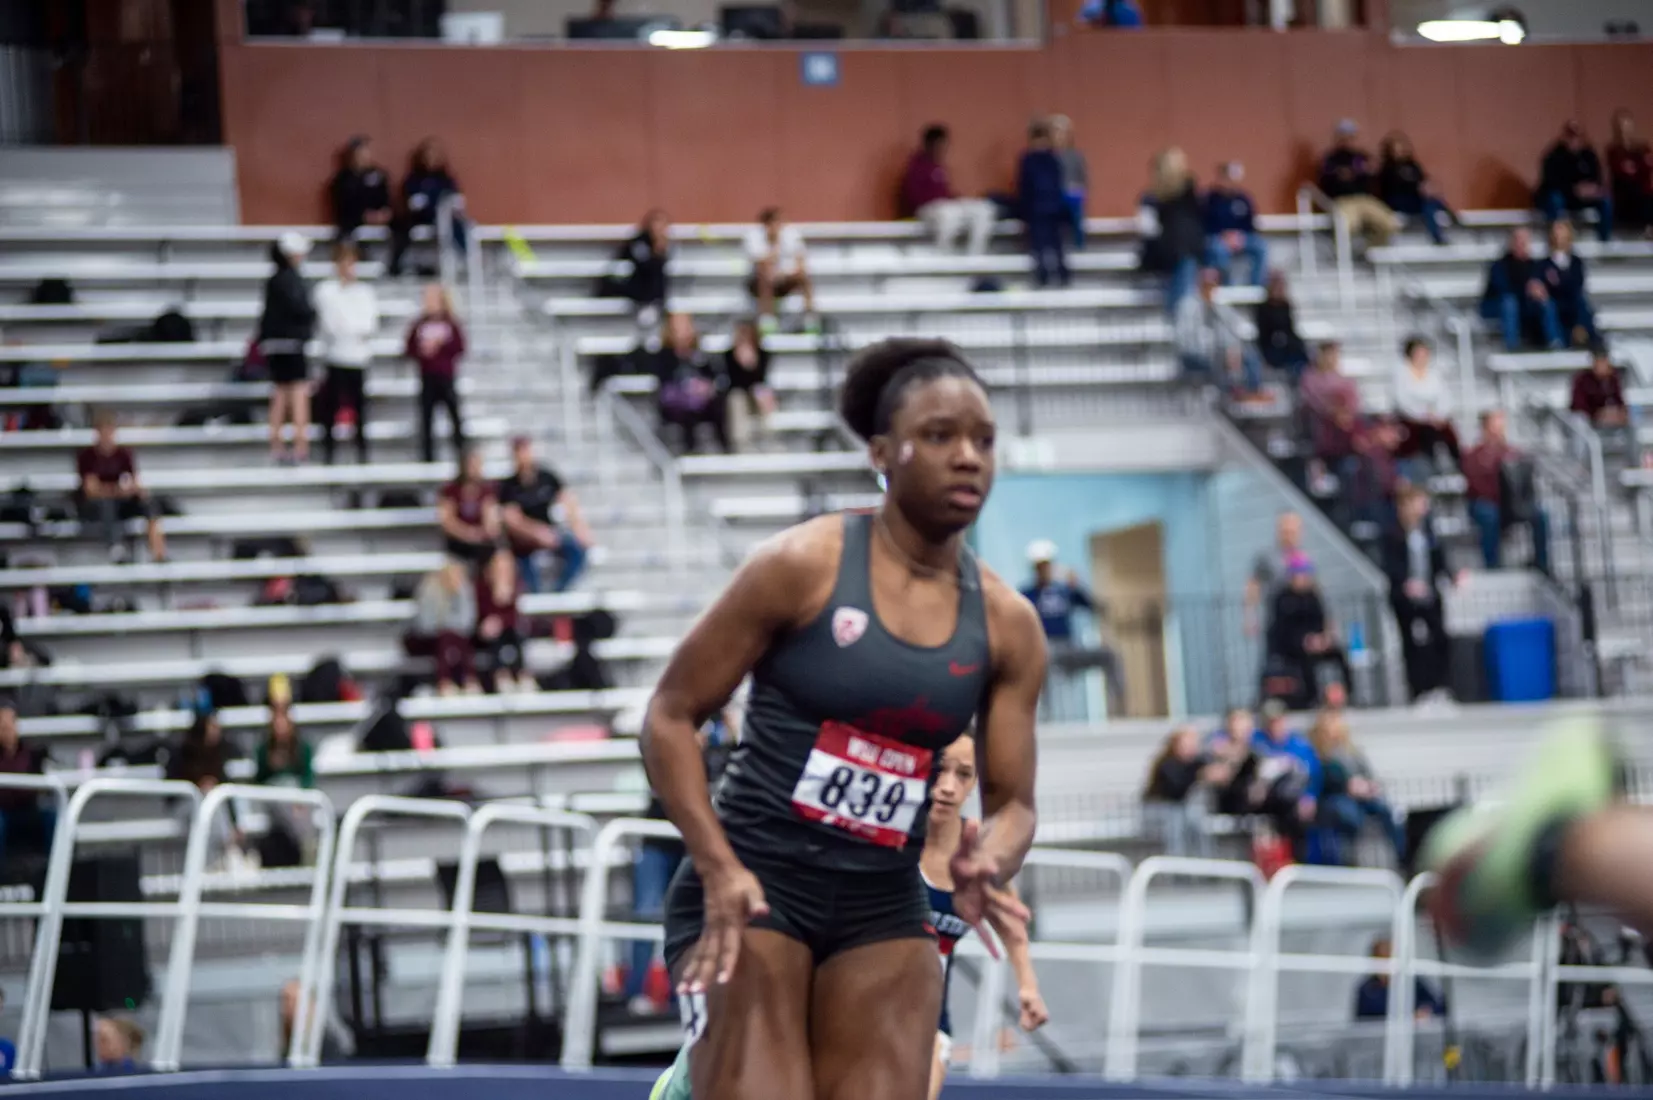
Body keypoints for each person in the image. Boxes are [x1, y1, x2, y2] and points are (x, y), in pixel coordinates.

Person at [643, 337, 1044, 1100]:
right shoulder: (802, 565)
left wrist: (988, 860)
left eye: (983, 440)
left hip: (881, 900)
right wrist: (717, 865)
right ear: (882, 452)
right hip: (755, 880)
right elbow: (668, 715)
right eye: (939, 436)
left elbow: (1016, 805)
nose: (967, 457)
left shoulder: (1007, 623)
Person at [920, 734, 1047, 1100]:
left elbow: (1011, 922)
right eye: (939, 769)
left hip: (930, 1017)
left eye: (963, 775)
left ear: (975, 782)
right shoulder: (895, 839)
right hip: (868, 1008)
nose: (947, 787)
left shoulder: (977, 854)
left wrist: (1028, 986)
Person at [1380, 486, 1459, 704]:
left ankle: (1441, 686)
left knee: (1439, 637)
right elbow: (1390, 565)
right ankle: (1417, 690)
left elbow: (1439, 560)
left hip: (1429, 594)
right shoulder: (1392, 534)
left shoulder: (1429, 532)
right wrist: (1406, 584)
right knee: (1411, 643)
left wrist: (1452, 575)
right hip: (1405, 598)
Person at [499, 436, 593, 594]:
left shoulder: (547, 477)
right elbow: (512, 520)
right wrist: (536, 533)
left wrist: (580, 528)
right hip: (525, 539)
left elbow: (568, 502)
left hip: (551, 533)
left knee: (576, 549)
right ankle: (535, 591)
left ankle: (561, 589)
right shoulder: (509, 486)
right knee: (519, 559)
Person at [313, 241, 380, 465]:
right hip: (335, 356)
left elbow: (369, 324)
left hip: (358, 358)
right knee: (330, 407)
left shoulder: (365, 292)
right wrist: (351, 328)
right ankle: (328, 453)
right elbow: (330, 324)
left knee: (360, 408)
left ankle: (362, 453)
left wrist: (349, 328)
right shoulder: (325, 291)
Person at [1462, 409, 1551, 574]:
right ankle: (1492, 565)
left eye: (1501, 427)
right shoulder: (1474, 455)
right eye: (1495, 426)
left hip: (1511, 505)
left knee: (1540, 514)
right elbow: (1476, 486)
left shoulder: (1512, 452)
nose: (1499, 431)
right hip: (1486, 503)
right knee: (1489, 514)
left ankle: (1541, 562)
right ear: (1485, 428)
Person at [1310, 710, 1405, 864]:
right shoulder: (1322, 755)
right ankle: (1351, 860)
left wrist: (1369, 786)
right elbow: (1326, 780)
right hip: (1336, 796)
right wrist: (1348, 787)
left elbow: (1368, 774)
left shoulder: (1353, 752)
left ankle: (1400, 856)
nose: (1335, 728)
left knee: (1387, 810)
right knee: (1351, 816)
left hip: (1362, 794)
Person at [1263, 554, 1352, 710]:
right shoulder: (1283, 599)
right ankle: (1312, 698)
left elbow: (1323, 620)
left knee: (1339, 654)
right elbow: (1284, 630)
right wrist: (1305, 641)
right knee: (1306, 659)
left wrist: (1324, 638)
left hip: (1316, 641)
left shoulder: (1313, 596)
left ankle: (1348, 693)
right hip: (1292, 646)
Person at [76, 411, 167, 563]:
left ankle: (158, 551)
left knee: (148, 503)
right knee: (106, 505)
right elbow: (91, 490)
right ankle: (116, 550)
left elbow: (135, 484)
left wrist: (127, 491)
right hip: (98, 506)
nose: (107, 435)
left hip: (120, 501)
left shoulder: (124, 454)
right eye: (103, 431)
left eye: (109, 431)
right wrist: (117, 491)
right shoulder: (87, 456)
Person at [259, 231, 317, 465]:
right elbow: (302, 309)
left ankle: (277, 446)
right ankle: (301, 446)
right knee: (298, 393)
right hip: (292, 344)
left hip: (274, 345)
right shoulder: (292, 280)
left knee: (280, 393)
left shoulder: (273, 280)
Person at [900, 125, 997, 255]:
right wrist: (940, 201)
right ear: (929, 145)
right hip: (927, 209)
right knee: (949, 214)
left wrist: (954, 198)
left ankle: (975, 255)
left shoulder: (939, 166)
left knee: (984, 209)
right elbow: (915, 198)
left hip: (946, 205)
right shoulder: (916, 167)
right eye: (939, 145)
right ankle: (943, 256)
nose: (942, 149)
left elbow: (944, 192)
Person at [1174, 267, 1264, 399]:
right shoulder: (1188, 305)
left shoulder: (1219, 305)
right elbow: (1185, 337)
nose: (1209, 289)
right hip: (1195, 353)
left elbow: (1235, 324)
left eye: (1212, 285)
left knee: (1249, 354)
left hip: (1221, 349)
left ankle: (1251, 391)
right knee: (1222, 358)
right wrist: (1211, 346)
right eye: (1206, 285)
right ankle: (1230, 393)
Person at [1142, 725, 1226, 858]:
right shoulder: (1167, 764)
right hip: (1165, 816)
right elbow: (1176, 790)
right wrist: (1200, 775)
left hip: (1186, 816)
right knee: (1178, 821)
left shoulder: (1198, 762)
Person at [1139, 147, 1205, 313]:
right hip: (1180, 252)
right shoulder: (1188, 193)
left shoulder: (1155, 198)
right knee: (1182, 300)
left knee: (1180, 301)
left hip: (1176, 252)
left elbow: (1148, 232)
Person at [406, 283, 466, 463]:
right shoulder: (419, 324)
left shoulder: (450, 322)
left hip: (446, 377)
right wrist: (422, 351)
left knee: (455, 417)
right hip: (427, 377)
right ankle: (428, 458)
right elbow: (409, 348)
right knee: (426, 419)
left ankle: (461, 454)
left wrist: (440, 346)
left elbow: (460, 347)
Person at [653, 312, 729, 454]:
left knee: (720, 404)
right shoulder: (664, 356)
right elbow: (664, 382)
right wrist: (687, 388)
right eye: (679, 327)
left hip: (701, 401)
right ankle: (690, 451)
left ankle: (726, 448)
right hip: (676, 402)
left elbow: (713, 377)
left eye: (686, 326)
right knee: (686, 409)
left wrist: (706, 387)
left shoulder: (700, 354)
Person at [1317, 120, 1398, 248]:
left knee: (1390, 224)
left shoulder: (1362, 156)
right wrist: (1345, 173)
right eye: (1343, 136)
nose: (1347, 140)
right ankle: (1343, 255)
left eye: (1350, 136)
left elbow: (1373, 174)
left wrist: (1368, 171)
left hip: (1365, 198)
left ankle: (1368, 250)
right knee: (1347, 226)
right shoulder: (1331, 158)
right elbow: (1327, 178)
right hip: (1343, 200)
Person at [393, 137, 466, 277]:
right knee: (400, 225)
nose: (430, 158)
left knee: (456, 225)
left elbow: (454, 198)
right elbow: (411, 200)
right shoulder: (414, 178)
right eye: (427, 155)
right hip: (418, 217)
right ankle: (398, 264)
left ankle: (463, 258)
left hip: (441, 217)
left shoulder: (445, 179)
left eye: (434, 154)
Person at [1480, 227, 1561, 351]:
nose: (1521, 244)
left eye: (1524, 241)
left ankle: (1555, 342)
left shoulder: (1534, 266)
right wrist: (1527, 289)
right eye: (1518, 240)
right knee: (1509, 302)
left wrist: (1539, 291)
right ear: (1511, 242)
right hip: (1496, 305)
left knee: (1547, 302)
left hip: (1524, 304)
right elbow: (1503, 288)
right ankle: (1512, 346)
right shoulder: (1499, 265)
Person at [410, 558, 480, 696]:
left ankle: (467, 681)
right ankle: (446, 681)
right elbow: (425, 623)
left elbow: (468, 622)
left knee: (459, 641)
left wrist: (459, 595)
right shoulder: (430, 591)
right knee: (446, 639)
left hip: (456, 638)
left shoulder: (464, 591)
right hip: (430, 638)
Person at [1392, 336, 1461, 472]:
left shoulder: (1434, 373)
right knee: (1427, 433)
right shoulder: (1401, 374)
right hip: (1412, 419)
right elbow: (1402, 402)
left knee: (1449, 432)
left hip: (1434, 417)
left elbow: (1445, 397)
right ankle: (1429, 468)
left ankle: (1457, 465)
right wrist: (1424, 416)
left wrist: (1439, 415)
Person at [0, 698, 53, 874]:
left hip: (28, 809)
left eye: (9, 723)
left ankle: (57, 871)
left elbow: (38, 786)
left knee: (53, 818)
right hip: (3, 812)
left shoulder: (32, 753)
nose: (6, 729)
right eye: (2, 724)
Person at [1536, 120, 1613, 243]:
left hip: (1583, 198)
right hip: (1563, 196)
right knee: (1554, 199)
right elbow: (1550, 182)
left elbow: (1597, 179)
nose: (1574, 140)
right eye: (1570, 136)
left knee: (1606, 201)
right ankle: (1556, 239)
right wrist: (1574, 189)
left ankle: (1604, 241)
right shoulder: (1554, 156)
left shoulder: (1589, 155)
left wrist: (1591, 189)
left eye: (1577, 136)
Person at [1017, 119, 1070, 289]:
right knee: (1053, 244)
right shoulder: (1052, 158)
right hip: (1050, 207)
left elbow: (1025, 186)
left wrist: (1025, 211)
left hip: (1038, 208)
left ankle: (1046, 275)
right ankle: (1060, 274)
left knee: (1042, 244)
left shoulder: (1029, 159)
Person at [1377, 131, 1453, 246]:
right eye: (1397, 149)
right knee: (1427, 207)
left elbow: (1423, 180)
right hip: (1399, 200)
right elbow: (1391, 188)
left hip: (1417, 198)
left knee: (1434, 202)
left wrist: (1427, 188)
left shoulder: (1413, 165)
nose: (1401, 151)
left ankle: (1454, 219)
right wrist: (1416, 188)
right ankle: (1437, 237)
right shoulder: (1388, 168)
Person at [744, 208, 815, 329]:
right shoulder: (753, 237)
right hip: (761, 281)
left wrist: (786, 273)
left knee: (803, 276)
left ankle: (810, 316)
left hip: (786, 277)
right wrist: (774, 248)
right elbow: (760, 263)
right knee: (765, 277)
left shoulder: (792, 235)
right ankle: (767, 318)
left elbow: (801, 261)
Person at [1203, 161, 1267, 287]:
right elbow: (1206, 224)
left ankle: (1257, 286)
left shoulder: (1243, 199)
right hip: (1218, 238)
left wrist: (1240, 237)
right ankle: (1227, 286)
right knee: (1218, 249)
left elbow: (1250, 224)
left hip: (1241, 238)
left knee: (1261, 247)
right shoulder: (1210, 199)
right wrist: (1224, 236)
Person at [475, 548, 528, 693]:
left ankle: (521, 674)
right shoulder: (483, 585)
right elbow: (480, 610)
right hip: (484, 629)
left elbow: (513, 615)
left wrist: (500, 620)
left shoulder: (515, 586)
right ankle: (500, 675)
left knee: (514, 635)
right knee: (495, 636)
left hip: (507, 628)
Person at [1354, 936, 1444, 1019]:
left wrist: (1425, 1012)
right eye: (1382, 957)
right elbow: (1362, 1022)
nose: (1387, 962)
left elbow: (1438, 1006)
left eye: (1390, 956)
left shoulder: (1413, 982)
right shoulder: (1367, 990)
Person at [721, 318, 776, 452]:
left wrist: (752, 365)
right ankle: (741, 443)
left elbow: (760, 379)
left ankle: (769, 438)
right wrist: (740, 362)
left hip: (756, 393)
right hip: (739, 392)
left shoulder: (762, 354)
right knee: (737, 398)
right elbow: (734, 381)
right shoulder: (729, 355)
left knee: (763, 394)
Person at [439, 447, 500, 567]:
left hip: (483, 545)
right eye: (471, 464)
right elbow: (447, 522)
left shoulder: (487, 491)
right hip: (457, 546)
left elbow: (492, 524)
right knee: (453, 567)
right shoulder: (451, 490)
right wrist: (468, 533)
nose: (474, 468)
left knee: (501, 560)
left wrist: (480, 533)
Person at [329, 136, 392, 248]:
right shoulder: (343, 179)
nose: (363, 157)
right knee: (345, 237)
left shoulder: (378, 175)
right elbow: (344, 205)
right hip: (352, 223)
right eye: (360, 153)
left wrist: (383, 213)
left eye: (365, 153)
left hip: (379, 219)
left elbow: (385, 198)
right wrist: (364, 215)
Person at [1542, 218, 1597, 346]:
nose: (1559, 236)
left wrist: (1559, 282)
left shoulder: (1576, 262)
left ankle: (1585, 335)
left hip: (1574, 303)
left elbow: (1577, 284)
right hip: (1556, 303)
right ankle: (1559, 342)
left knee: (1582, 303)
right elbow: (1548, 287)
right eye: (1556, 232)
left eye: (1562, 232)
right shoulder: (1545, 264)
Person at [609, 209, 671, 316]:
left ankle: (656, 303)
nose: (659, 227)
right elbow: (644, 266)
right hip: (632, 285)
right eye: (656, 222)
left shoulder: (668, 243)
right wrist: (657, 251)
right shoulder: (639, 242)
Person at [1253, 271, 1309, 382]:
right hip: (1271, 346)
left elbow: (1290, 328)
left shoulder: (1286, 305)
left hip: (1288, 344)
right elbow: (1263, 333)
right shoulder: (1263, 308)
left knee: (1301, 355)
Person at [1606, 109, 1653, 236]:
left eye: (1627, 125)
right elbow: (1620, 170)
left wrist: (1636, 167)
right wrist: (1638, 166)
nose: (1624, 130)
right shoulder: (1613, 150)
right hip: (1623, 193)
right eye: (1621, 126)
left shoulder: (1642, 148)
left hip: (1642, 192)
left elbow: (1646, 168)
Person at [1049, 114, 1088, 250]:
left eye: (1062, 132)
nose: (1058, 135)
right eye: (1055, 131)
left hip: (1071, 195)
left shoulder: (1076, 156)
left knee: (1076, 206)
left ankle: (1079, 246)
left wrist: (1076, 189)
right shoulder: (1046, 157)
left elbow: (1083, 180)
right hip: (1050, 196)